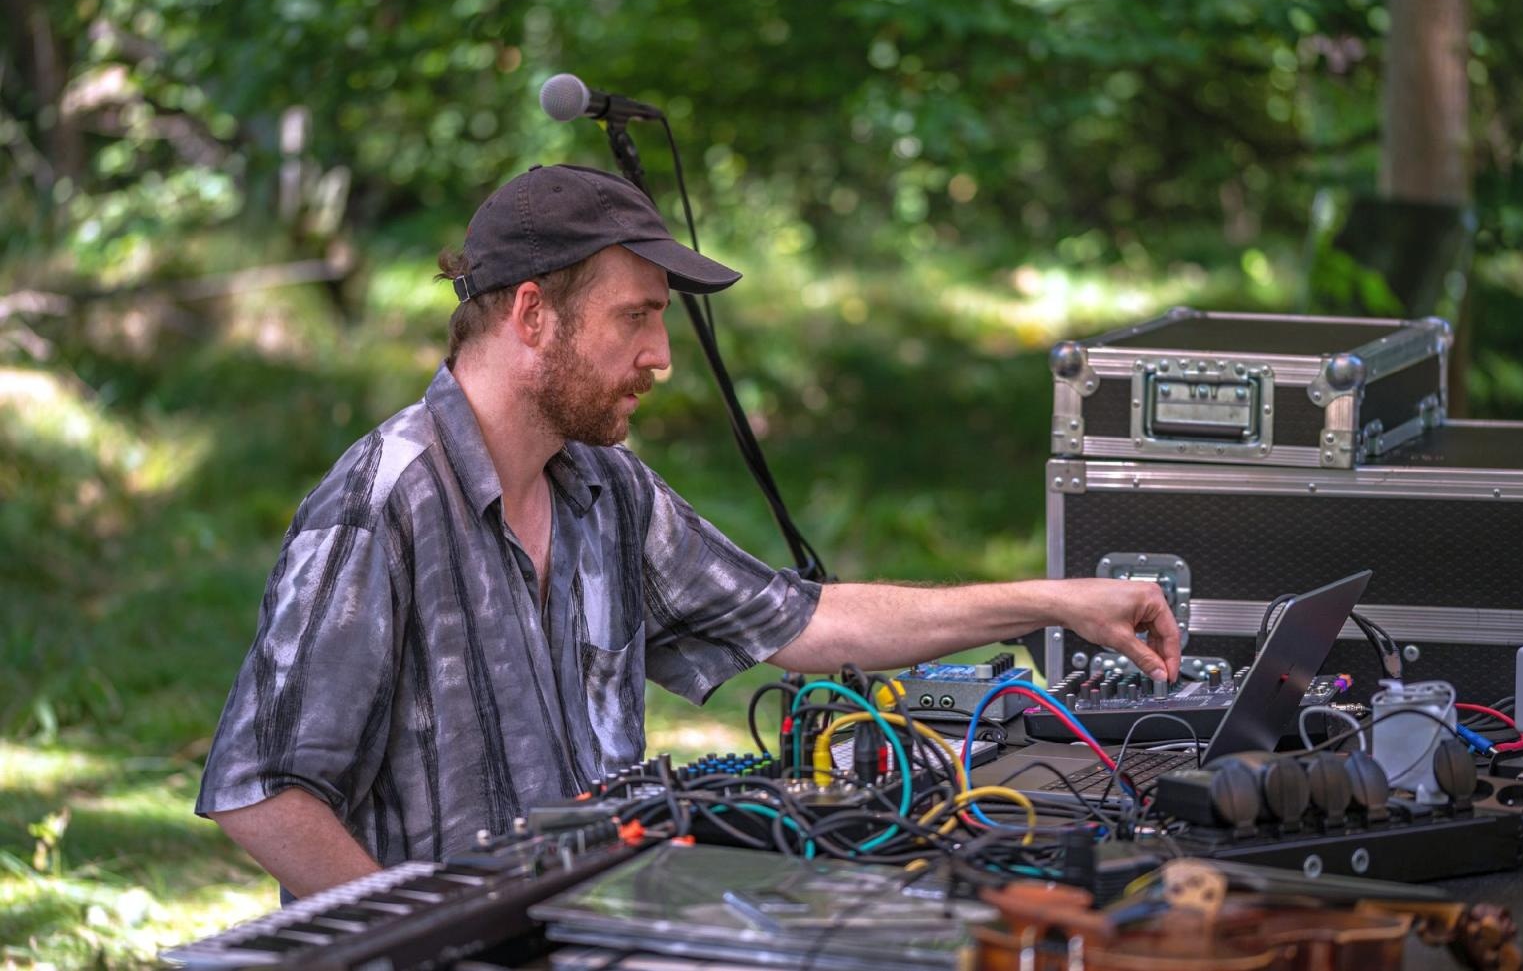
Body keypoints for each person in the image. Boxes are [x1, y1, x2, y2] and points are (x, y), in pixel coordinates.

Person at [195, 164, 1180, 899]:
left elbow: (805, 624)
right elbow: (263, 793)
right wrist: (408, 940)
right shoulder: (384, 499)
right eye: (636, 318)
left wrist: (1057, 602)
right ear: (532, 314)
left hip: (602, 928)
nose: (661, 355)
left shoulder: (606, 490)